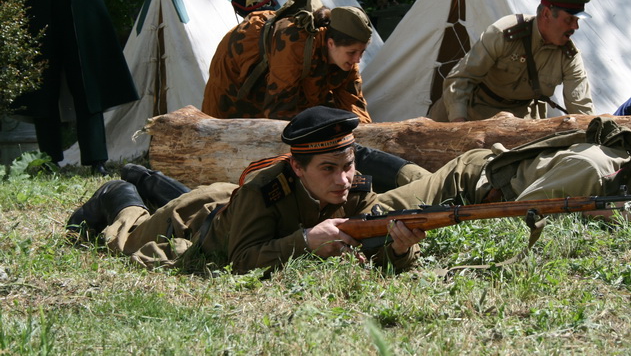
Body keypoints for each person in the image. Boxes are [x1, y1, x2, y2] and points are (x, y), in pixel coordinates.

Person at [66, 107, 426, 274]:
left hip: (228, 203)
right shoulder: (263, 191)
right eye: (328, 169)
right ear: (297, 168)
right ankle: (117, 191)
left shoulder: (356, 187)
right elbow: (240, 260)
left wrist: (398, 248)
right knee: (125, 239)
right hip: (199, 219)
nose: (343, 180)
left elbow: (373, 250)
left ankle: (144, 177)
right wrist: (306, 240)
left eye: (347, 165)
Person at [376, 98, 631, 219]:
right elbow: (519, 216)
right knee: (375, 213)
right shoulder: (594, 169)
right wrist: (604, 219)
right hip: (472, 182)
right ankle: (356, 154)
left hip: (510, 182)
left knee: (408, 176)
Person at [0, 0, 138, 175]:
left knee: (87, 89)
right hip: (40, 26)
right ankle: (48, 162)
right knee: (44, 93)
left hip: (80, 23)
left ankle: (96, 160)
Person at [202, 0, 373, 122]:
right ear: (331, 43)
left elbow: (355, 108)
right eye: (352, 52)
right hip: (236, 78)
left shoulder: (348, 59)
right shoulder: (294, 42)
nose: (357, 59)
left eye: (362, 52)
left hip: (282, 87)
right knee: (221, 135)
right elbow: (279, 112)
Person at [428, 0, 595, 122]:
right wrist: (459, 123)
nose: (575, 27)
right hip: (472, 110)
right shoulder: (503, 33)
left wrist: (593, 131)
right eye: (569, 20)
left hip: (519, 120)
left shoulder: (569, 56)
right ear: (546, 14)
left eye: (577, 21)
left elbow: (581, 107)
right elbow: (460, 79)